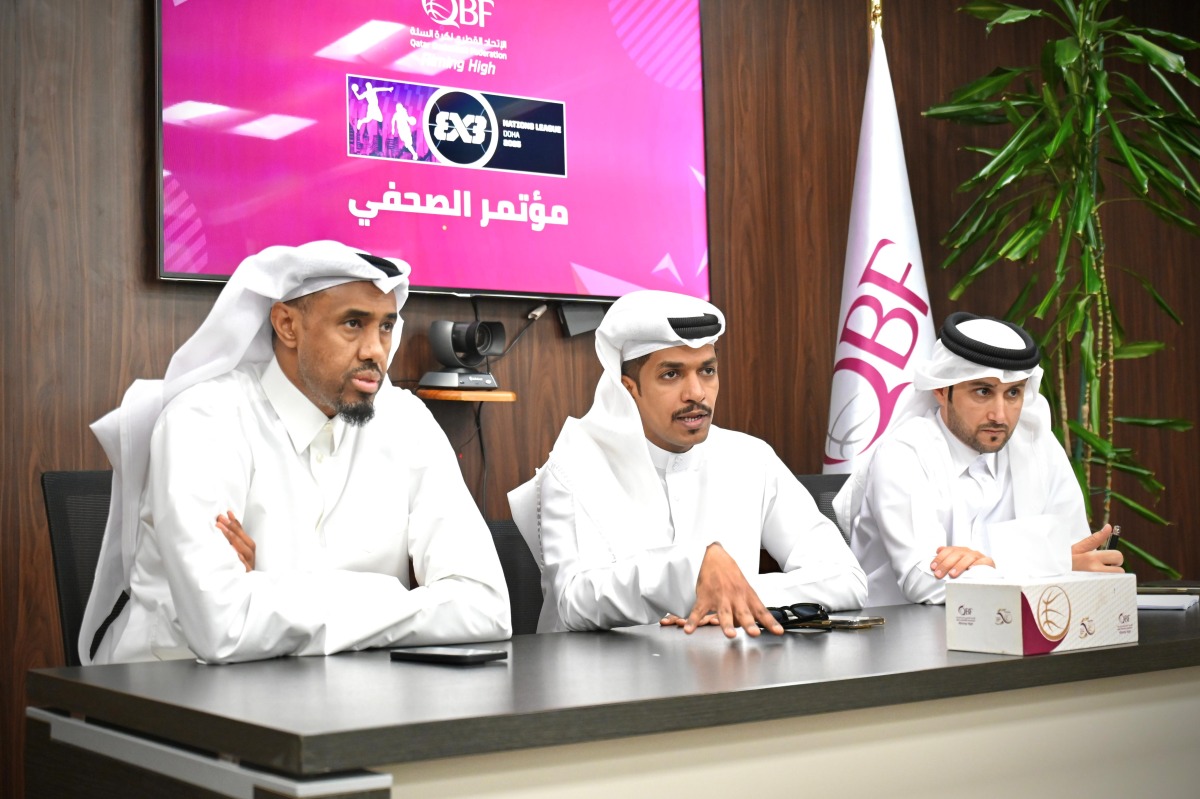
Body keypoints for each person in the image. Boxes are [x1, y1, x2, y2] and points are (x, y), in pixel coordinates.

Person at [82, 241, 511, 664]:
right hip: (166, 692)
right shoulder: (204, 420)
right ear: (287, 325)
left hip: (339, 696)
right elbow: (223, 627)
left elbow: (486, 606)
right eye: (353, 324)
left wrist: (268, 589)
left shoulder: (404, 421)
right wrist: (405, 599)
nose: (375, 351)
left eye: (384, 326)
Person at [509, 290, 867, 637]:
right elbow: (573, 601)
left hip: (725, 678)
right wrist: (685, 573)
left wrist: (736, 596)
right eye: (672, 374)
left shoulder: (750, 458)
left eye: (707, 371)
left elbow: (846, 578)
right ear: (628, 388)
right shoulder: (577, 466)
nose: (696, 393)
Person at [836, 311, 1123, 606]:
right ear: (940, 390)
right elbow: (924, 582)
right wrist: (1033, 564)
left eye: (1013, 393)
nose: (1000, 415)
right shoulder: (904, 453)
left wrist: (990, 564)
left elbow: (1080, 557)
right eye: (983, 391)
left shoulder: (1039, 447)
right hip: (899, 639)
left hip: (1011, 631)